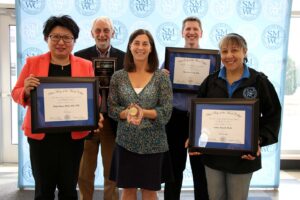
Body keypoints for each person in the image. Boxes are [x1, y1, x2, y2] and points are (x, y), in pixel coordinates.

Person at [11, 15, 104, 200]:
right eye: (55, 37)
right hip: (41, 139)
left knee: (69, 188)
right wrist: (27, 91)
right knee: (44, 189)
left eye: (67, 38)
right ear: (47, 38)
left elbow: (95, 97)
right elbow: (16, 92)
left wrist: (95, 113)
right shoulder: (33, 63)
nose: (61, 42)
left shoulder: (85, 65)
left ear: (74, 41)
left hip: (73, 138)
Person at [192, 33, 282, 200]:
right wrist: (193, 136)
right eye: (224, 51)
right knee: (215, 197)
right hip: (213, 157)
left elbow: (273, 114)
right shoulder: (210, 81)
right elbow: (198, 114)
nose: (229, 55)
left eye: (235, 50)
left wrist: (259, 140)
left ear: (245, 52)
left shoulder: (259, 81)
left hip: (243, 157)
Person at [107, 29, 173, 200]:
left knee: (149, 192)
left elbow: (166, 113)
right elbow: (112, 109)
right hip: (125, 142)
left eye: (145, 43)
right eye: (136, 43)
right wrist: (125, 113)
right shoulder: (118, 77)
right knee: (127, 191)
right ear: (130, 46)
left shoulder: (162, 77)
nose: (140, 47)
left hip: (154, 144)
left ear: (151, 48)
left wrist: (144, 113)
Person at [74, 16, 125, 200]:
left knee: (112, 173)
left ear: (113, 33)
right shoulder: (79, 57)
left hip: (112, 123)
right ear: (92, 33)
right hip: (87, 122)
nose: (102, 35)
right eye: (98, 31)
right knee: (84, 172)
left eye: (106, 30)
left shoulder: (125, 58)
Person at [163, 16, 209, 200]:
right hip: (176, 117)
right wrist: (162, 76)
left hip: (201, 119)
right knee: (174, 168)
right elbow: (159, 88)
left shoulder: (211, 59)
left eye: (195, 29)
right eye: (188, 29)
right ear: (182, 32)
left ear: (201, 33)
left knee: (201, 168)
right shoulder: (171, 58)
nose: (191, 32)